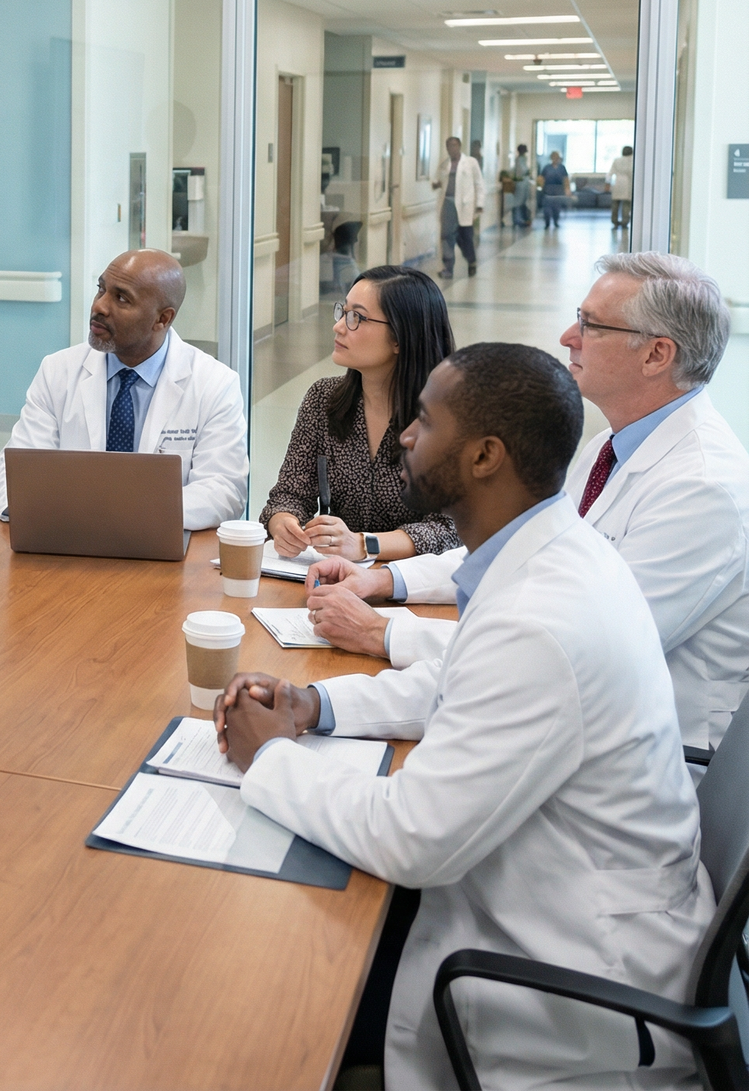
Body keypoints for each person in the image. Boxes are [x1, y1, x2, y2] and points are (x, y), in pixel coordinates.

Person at [220, 343, 713, 1090]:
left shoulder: (542, 620)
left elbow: (409, 838)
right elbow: (460, 683)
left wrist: (270, 756)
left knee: (268, 1006)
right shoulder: (548, 555)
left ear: (485, 456)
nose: (407, 437)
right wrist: (317, 705)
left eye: (424, 420)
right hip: (542, 908)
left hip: (562, 994)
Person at [305, 254, 749, 751]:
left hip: (632, 747)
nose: (567, 336)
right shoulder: (612, 448)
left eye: (590, 325)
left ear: (656, 355)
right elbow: (513, 550)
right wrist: (383, 579)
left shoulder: (703, 490)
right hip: (561, 720)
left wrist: (383, 634)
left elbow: (565, 653)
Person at [0, 250, 246, 530]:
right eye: (101, 289)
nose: (100, 306)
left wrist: (120, 514)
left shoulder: (215, 384)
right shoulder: (58, 371)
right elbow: (16, 470)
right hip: (69, 539)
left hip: (160, 546)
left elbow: (224, 490)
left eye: (121, 298)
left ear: (162, 319)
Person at [260, 266, 457, 563]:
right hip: (334, 579)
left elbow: (450, 528)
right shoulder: (323, 400)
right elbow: (288, 495)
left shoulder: (448, 416)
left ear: (400, 339)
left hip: (415, 585)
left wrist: (365, 544)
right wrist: (284, 525)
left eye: (357, 318)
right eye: (343, 312)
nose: (339, 326)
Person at [430, 135, 482, 278]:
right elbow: (436, 179)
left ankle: (471, 260)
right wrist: (435, 184)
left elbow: (479, 183)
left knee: (465, 238)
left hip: (465, 205)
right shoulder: (444, 163)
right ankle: (448, 269)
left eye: (454, 145)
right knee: (446, 236)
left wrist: (479, 204)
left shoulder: (471, 163)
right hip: (447, 203)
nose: (451, 148)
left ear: (459, 146)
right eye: (449, 146)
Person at [538, 148, 569, 229]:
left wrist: (567, 189)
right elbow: (542, 178)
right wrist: (540, 187)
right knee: (547, 208)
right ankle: (547, 223)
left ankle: (556, 221)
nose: (555, 159)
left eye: (557, 157)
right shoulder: (547, 168)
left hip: (558, 190)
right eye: (554, 157)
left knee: (557, 208)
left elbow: (565, 179)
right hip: (548, 190)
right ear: (551, 158)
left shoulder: (562, 168)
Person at [609, 144, 634, 228]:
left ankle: (614, 220)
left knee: (615, 204)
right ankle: (625, 221)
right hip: (627, 182)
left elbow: (610, 173)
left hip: (617, 182)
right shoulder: (632, 160)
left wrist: (607, 183)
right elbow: (632, 173)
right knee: (626, 204)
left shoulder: (617, 160)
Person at [510, 142, 534, 228]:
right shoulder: (519, 159)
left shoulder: (523, 159)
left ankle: (523, 219)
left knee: (522, 202)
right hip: (521, 183)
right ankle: (517, 220)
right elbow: (522, 171)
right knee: (517, 202)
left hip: (524, 182)